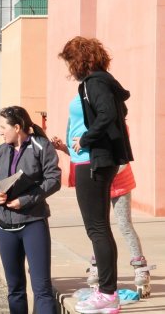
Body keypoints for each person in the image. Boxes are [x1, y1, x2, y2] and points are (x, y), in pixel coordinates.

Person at [58, 37, 133, 313]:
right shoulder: (102, 81)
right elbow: (118, 111)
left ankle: (107, 294)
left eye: (70, 62)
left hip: (93, 160)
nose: (69, 69)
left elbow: (109, 114)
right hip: (94, 160)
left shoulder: (94, 83)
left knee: (97, 228)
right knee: (99, 227)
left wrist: (86, 139)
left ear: (79, 60)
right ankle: (106, 291)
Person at [52, 95, 151, 298]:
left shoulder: (117, 129)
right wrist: (64, 148)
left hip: (118, 183)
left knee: (124, 224)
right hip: (97, 182)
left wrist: (105, 170)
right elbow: (82, 155)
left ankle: (140, 266)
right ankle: (98, 265)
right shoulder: (90, 129)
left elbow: (121, 158)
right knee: (98, 226)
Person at [0, 106, 61, 314]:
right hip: (5, 227)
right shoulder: (3, 150)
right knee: (15, 289)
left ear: (17, 127)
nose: (0, 131)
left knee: (42, 288)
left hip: (33, 222)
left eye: (3, 127)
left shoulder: (41, 145)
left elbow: (54, 180)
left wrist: (26, 200)